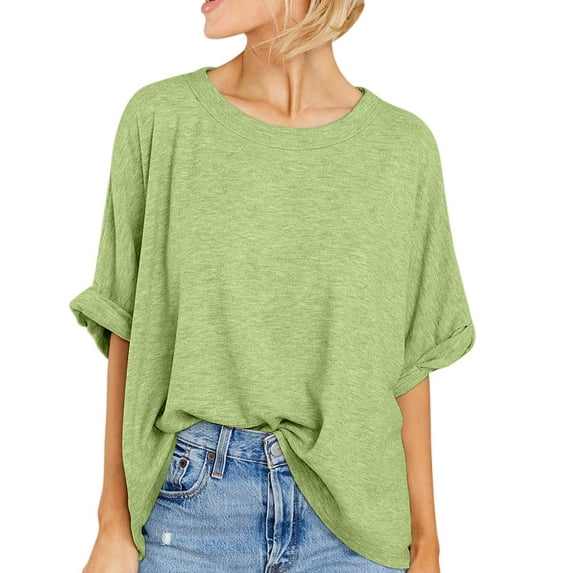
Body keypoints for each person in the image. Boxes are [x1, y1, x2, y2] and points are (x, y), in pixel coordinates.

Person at [70, 1, 476, 572]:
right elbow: (126, 328)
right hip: (190, 514)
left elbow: (410, 362)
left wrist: (428, 544)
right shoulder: (163, 119)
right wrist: (112, 523)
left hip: (356, 526)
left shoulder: (402, 149)